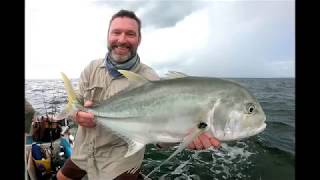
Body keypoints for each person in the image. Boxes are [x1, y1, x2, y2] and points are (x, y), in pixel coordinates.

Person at [57, 9, 220, 180]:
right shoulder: (92, 68)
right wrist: (77, 114)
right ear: (108, 36)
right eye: (116, 32)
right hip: (83, 151)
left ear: (139, 39)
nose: (122, 39)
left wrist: (187, 135)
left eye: (130, 34)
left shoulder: (149, 79)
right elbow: (79, 105)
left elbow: (159, 137)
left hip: (120, 161)